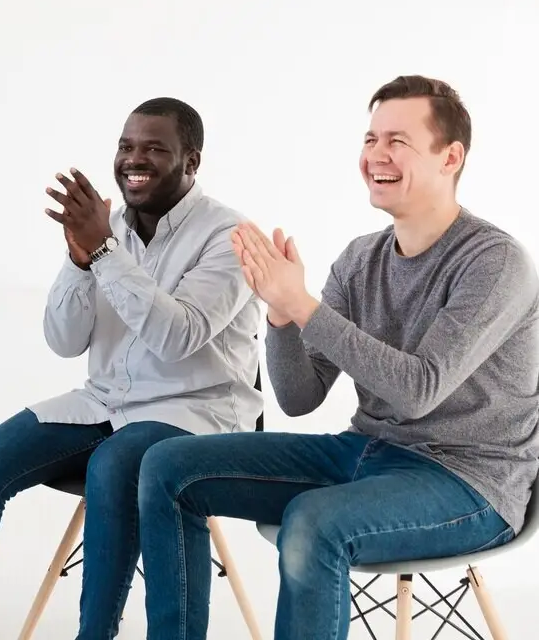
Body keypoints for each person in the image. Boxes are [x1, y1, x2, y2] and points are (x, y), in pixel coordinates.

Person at [139, 75, 539, 640]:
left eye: (397, 141)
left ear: (450, 158)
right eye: (371, 139)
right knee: (167, 465)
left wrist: (303, 305)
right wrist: (281, 315)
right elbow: (300, 397)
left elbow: (419, 390)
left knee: (314, 522)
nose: (376, 154)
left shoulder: (495, 263)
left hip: (469, 481)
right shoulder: (360, 259)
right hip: (366, 452)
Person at [0, 97, 262, 640]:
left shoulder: (228, 236)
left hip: (197, 412)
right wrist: (79, 259)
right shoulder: (105, 227)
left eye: (154, 149)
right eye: (126, 146)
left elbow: (177, 337)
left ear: (192, 161)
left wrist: (104, 253)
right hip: (108, 402)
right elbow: (63, 340)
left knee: (113, 465)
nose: (133, 159)